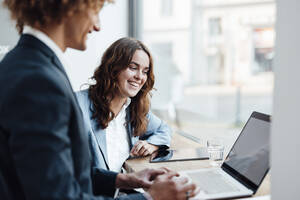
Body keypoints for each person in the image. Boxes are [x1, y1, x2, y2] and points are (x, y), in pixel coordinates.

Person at [0, 0, 197, 200]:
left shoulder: (27, 64)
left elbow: (63, 172)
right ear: (67, 7)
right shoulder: (38, 80)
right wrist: (151, 198)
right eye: (95, 11)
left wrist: (123, 179)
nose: (97, 25)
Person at [76, 37, 171, 175]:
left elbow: (164, 129)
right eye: (133, 68)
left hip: (126, 189)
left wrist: (152, 144)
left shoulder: (135, 109)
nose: (140, 77)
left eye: (145, 71)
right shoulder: (77, 104)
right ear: (113, 67)